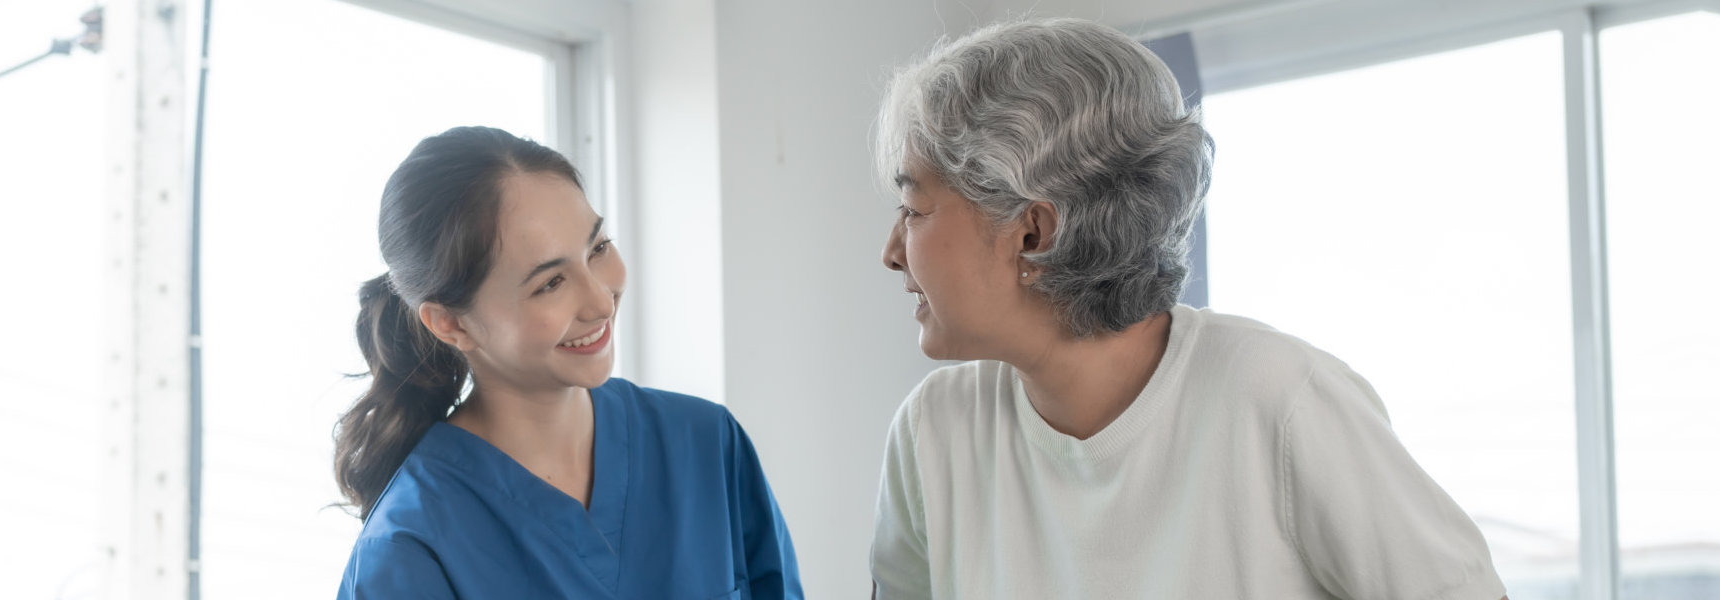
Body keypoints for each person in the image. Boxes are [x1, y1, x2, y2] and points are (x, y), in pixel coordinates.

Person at [869, 19, 1508, 600]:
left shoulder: (1279, 401)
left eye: (914, 209)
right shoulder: (933, 431)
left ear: (1034, 234)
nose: (892, 252)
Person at [334, 126, 800, 599]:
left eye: (598, 249)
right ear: (450, 324)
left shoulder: (706, 444)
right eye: (550, 283)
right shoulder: (409, 548)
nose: (601, 301)